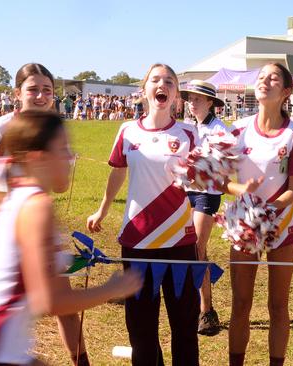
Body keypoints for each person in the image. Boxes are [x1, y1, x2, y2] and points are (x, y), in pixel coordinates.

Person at [0, 111, 142, 365]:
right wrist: (111, 289)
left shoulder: (16, 198)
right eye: (62, 148)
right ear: (39, 158)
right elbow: (47, 301)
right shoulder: (38, 206)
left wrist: (6, 251)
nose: (70, 157)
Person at [87, 63, 201, 366]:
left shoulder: (190, 132)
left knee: (185, 326)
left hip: (179, 243)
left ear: (176, 94)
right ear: (145, 89)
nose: (162, 84)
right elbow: (117, 172)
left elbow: (205, 179)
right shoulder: (127, 131)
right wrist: (103, 208)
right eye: (155, 80)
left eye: (169, 81)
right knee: (140, 328)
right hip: (137, 242)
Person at [226, 63, 293, 366]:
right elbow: (222, 180)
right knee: (241, 303)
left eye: (273, 77)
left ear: (286, 91)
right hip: (243, 226)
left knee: (278, 305)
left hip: (282, 227)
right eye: (261, 77)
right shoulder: (236, 129)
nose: (265, 81)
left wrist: (268, 212)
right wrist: (244, 197)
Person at [179, 80, 228, 336]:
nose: (192, 102)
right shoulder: (189, 127)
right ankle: (204, 307)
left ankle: (204, 311)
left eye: (198, 99)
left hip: (206, 195)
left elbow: (225, 163)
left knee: (196, 250)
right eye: (190, 99)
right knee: (198, 251)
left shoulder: (219, 129)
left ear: (210, 103)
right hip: (187, 192)